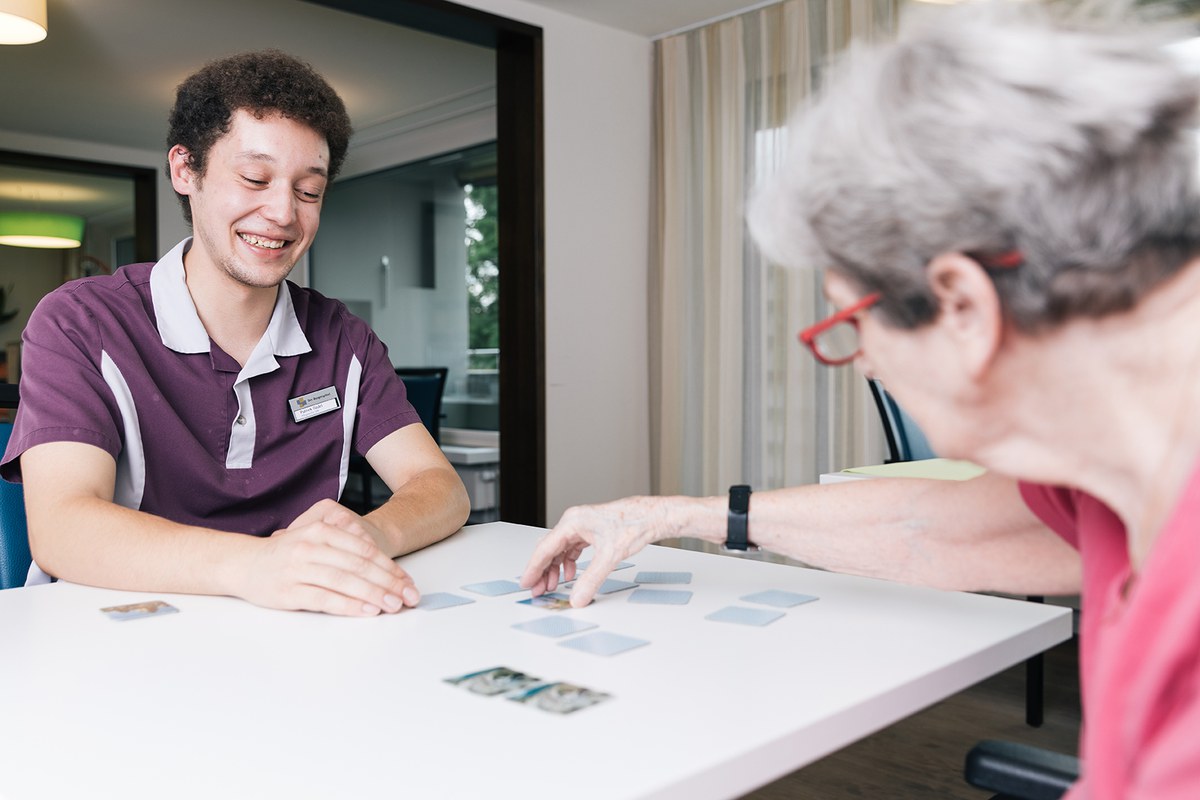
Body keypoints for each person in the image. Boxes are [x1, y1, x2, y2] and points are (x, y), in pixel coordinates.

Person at [520, 2, 1200, 797]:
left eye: (850, 321)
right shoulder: (1118, 468)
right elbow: (934, 531)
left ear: (964, 307)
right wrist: (670, 514)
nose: (865, 364)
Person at [1, 50, 470, 616]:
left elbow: (439, 487)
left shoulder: (344, 339)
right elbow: (62, 527)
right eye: (254, 178)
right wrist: (256, 565)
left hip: (290, 630)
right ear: (185, 170)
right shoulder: (79, 321)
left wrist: (372, 536)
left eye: (309, 191)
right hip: (114, 639)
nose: (283, 214)